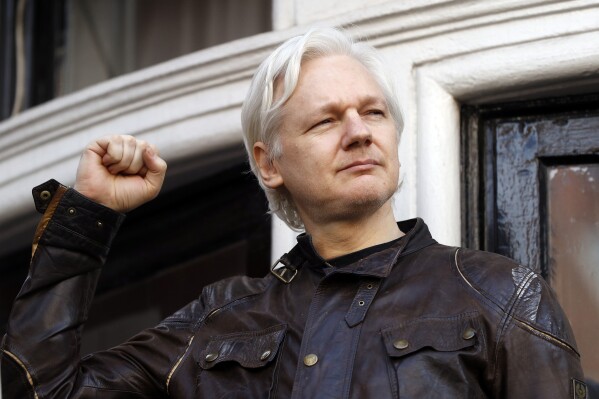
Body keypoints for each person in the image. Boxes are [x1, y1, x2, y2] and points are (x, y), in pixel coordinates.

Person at [0, 27, 586, 398]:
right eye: (326, 120)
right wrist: (86, 217)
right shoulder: (219, 319)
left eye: (374, 113)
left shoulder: (502, 295)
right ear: (269, 162)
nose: (358, 133)